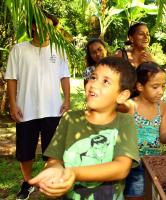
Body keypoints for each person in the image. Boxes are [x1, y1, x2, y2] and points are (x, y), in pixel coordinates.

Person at [29, 57, 140, 199]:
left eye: (105, 81)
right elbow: (54, 160)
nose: (93, 84)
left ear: (121, 95)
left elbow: (122, 167)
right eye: (93, 77)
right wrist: (54, 172)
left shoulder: (125, 123)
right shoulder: (70, 119)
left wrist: (74, 173)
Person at [5, 11, 70, 200]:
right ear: (34, 26)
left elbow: (64, 76)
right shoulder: (19, 49)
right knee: (25, 150)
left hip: (53, 108)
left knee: (53, 149)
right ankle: (27, 183)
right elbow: (11, 78)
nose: (48, 28)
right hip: (26, 109)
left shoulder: (59, 50)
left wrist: (66, 99)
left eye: (51, 25)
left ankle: (50, 181)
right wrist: (13, 103)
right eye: (43, 24)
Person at [124, 62, 166, 199]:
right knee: (135, 196)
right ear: (140, 86)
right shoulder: (130, 106)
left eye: (163, 86)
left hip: (155, 163)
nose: (161, 91)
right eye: (155, 87)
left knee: (153, 195)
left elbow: (163, 138)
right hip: (134, 164)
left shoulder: (162, 106)